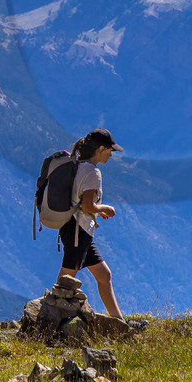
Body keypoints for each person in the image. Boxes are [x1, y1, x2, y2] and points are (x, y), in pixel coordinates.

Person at [58, 128, 125, 320]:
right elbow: (87, 205)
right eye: (110, 150)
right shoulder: (93, 172)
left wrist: (97, 210)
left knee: (104, 276)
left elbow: (81, 202)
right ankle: (48, 320)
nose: (111, 155)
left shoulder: (77, 166)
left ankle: (119, 323)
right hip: (78, 230)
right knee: (65, 282)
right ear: (101, 148)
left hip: (74, 228)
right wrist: (105, 208)